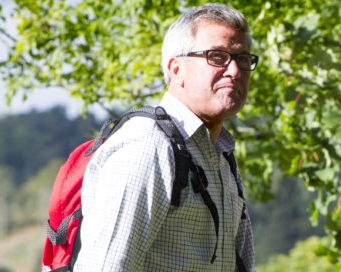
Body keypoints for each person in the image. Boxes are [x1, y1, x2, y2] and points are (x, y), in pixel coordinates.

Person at [75, 3, 257, 271]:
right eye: (217, 57)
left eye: (242, 59)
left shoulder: (218, 152)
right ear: (176, 69)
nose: (235, 71)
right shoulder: (147, 147)